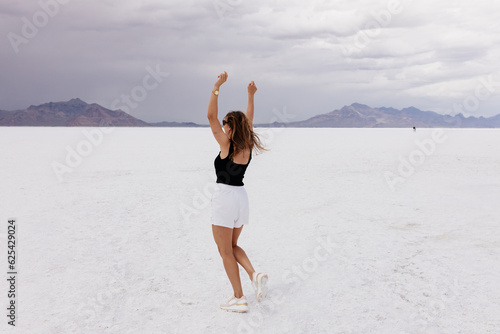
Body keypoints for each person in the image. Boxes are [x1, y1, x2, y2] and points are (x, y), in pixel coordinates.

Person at [207, 71, 268, 313]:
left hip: (224, 198)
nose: (221, 126)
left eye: (225, 124)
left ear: (231, 128)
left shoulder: (227, 145)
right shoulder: (247, 145)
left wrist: (216, 86)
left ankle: (239, 298)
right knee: (232, 246)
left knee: (224, 251)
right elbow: (249, 121)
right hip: (242, 198)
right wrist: (251, 96)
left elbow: (210, 115)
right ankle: (254, 274)